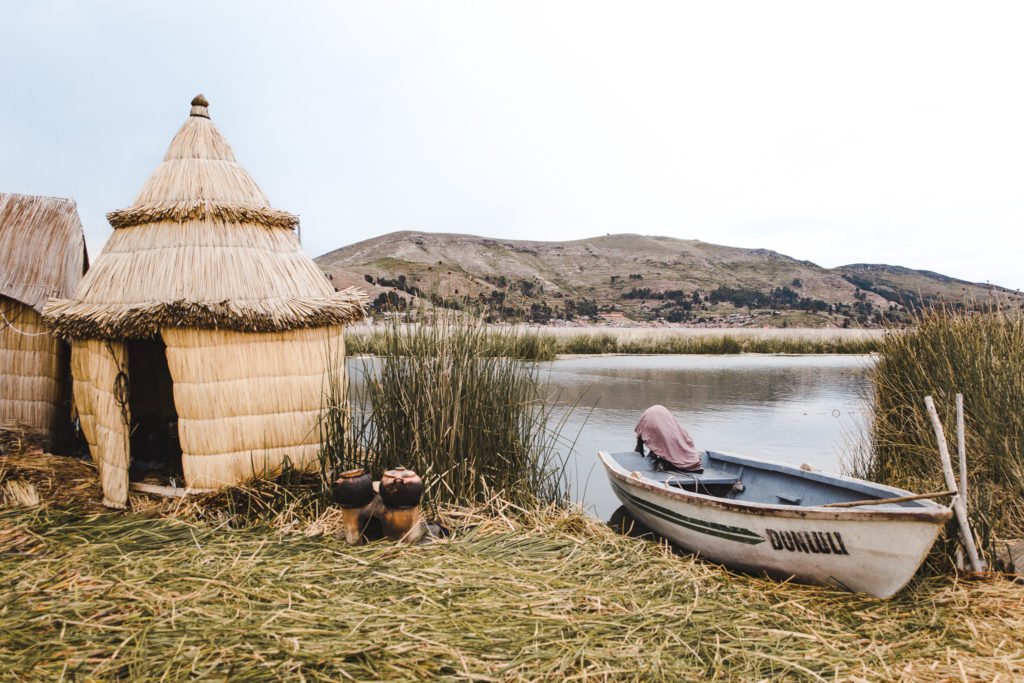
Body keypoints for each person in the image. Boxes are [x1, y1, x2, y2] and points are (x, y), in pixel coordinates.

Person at [634, 405, 703, 473]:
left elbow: (641, 443)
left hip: (655, 417)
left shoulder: (658, 425)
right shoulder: (656, 423)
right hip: (654, 416)